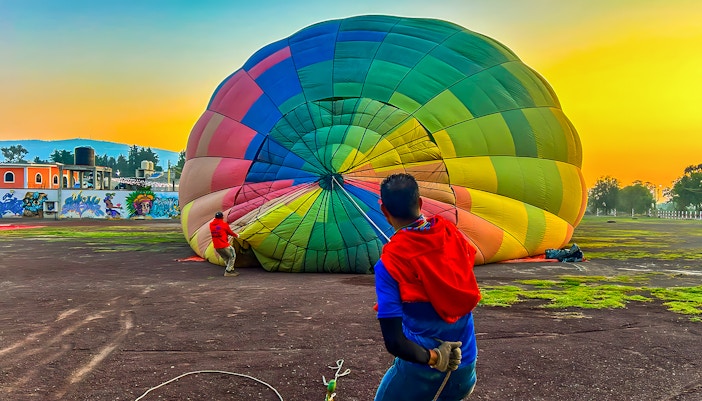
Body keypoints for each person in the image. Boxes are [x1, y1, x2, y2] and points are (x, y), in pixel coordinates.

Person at [374, 173, 481, 401]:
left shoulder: (390, 263)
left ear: (384, 212)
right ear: (421, 203)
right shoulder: (453, 236)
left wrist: (435, 357)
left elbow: (394, 341)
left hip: (423, 372)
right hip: (465, 366)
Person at [209, 211, 240, 277]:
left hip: (216, 247)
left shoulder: (211, 225)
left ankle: (231, 270)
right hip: (224, 245)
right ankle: (228, 271)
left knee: (226, 258)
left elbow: (218, 228)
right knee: (232, 256)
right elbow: (230, 232)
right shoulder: (224, 225)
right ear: (222, 217)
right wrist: (237, 235)